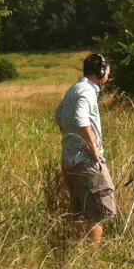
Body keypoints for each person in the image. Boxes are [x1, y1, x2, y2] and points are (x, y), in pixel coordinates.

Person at [54, 53, 116, 248]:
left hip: (69, 160)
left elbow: (59, 118)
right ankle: (93, 256)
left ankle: (79, 253)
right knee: (99, 210)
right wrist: (93, 149)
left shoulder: (74, 89)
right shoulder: (87, 92)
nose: (108, 77)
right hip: (86, 163)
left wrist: (72, 142)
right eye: (107, 73)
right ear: (101, 72)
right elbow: (82, 120)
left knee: (80, 210)